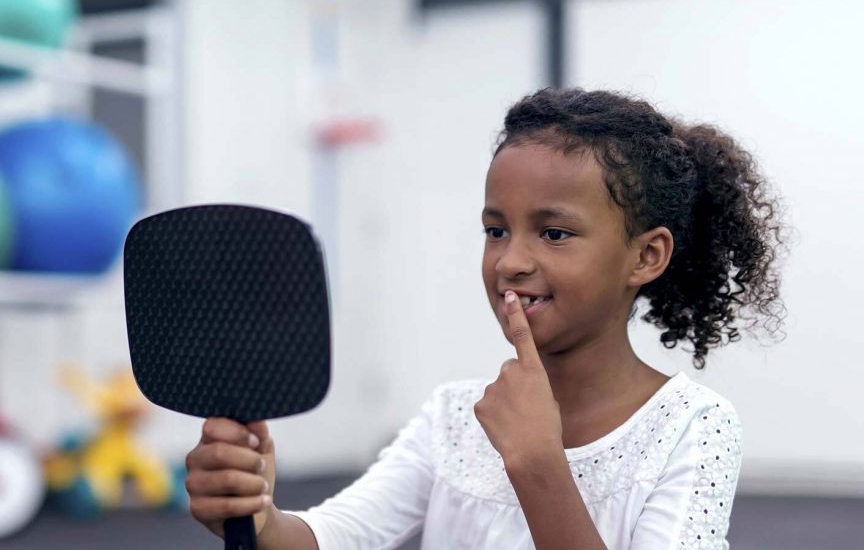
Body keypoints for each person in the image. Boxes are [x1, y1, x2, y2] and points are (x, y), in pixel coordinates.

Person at [183, 88, 787, 549]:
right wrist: (254, 512)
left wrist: (537, 463)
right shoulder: (454, 416)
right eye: (495, 230)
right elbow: (331, 535)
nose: (510, 261)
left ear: (646, 255)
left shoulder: (693, 428)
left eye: (554, 233)